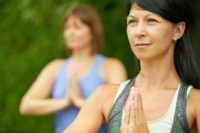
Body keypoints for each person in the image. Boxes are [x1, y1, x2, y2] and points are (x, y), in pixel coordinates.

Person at [63, 0, 200, 132]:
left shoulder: (194, 102)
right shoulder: (105, 96)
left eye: (151, 21)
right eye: (132, 22)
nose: (138, 32)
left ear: (178, 30)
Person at [19, 4, 127, 133]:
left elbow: (120, 112)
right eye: (67, 28)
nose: (70, 33)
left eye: (77, 27)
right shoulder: (55, 67)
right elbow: (26, 105)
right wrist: (64, 102)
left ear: (92, 31)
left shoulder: (111, 66)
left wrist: (79, 101)